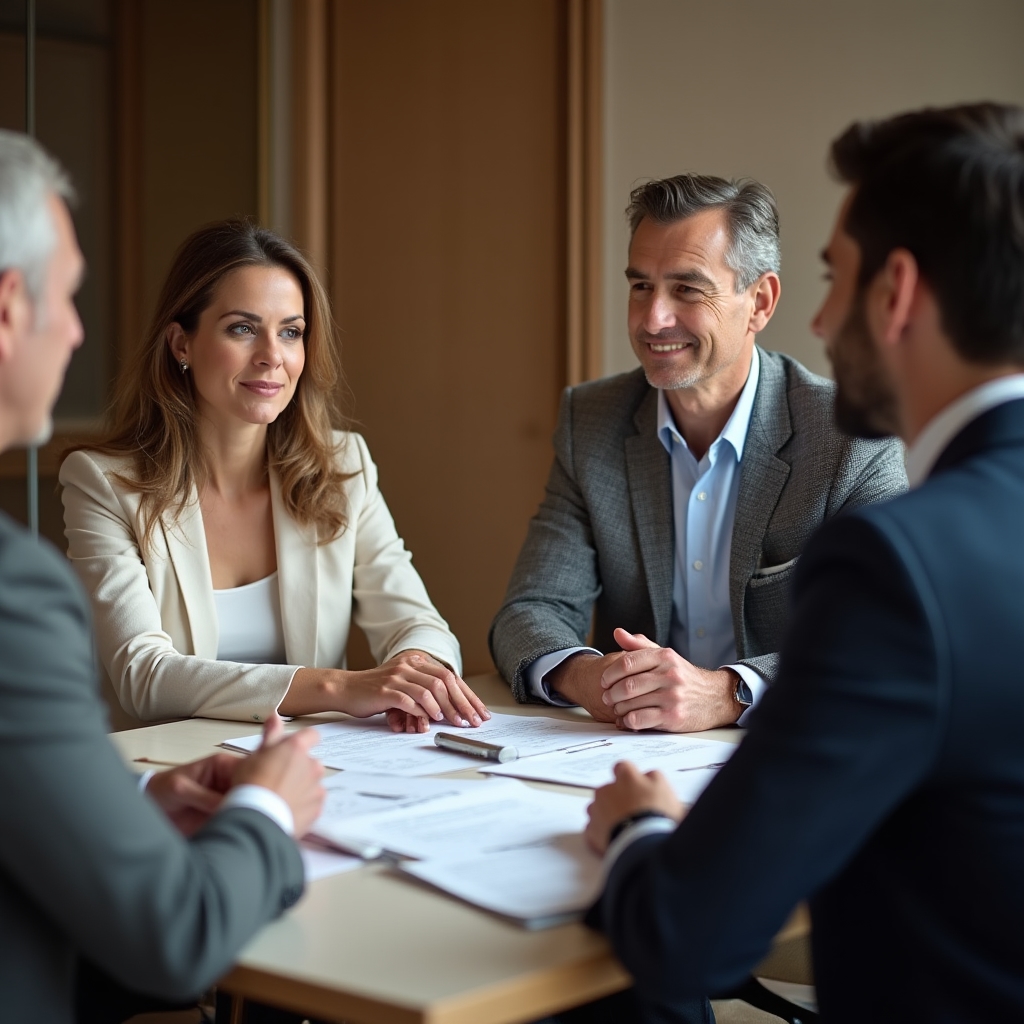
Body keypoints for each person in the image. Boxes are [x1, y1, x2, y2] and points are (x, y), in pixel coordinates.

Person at [583, 102, 1024, 1023]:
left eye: (836, 278)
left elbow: (687, 934)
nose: (821, 319)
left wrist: (637, 831)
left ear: (895, 291)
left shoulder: (901, 567)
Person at [0, 130, 326, 1022]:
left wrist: (136, 797)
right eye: (68, 298)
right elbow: (171, 935)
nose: (75, 330)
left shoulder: (336, 467)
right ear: (7, 307)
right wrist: (264, 811)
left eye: (290, 331)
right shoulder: (11, 589)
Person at [490, 173, 906, 733]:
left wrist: (730, 692)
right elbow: (529, 610)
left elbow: (885, 631)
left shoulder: (850, 437)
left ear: (759, 301)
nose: (653, 319)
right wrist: (590, 676)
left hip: (784, 747)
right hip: (625, 754)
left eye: (686, 289)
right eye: (641, 286)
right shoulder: (591, 422)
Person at [60, 219, 489, 733]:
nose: (272, 356)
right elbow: (144, 677)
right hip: (170, 773)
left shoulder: (343, 467)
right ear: (181, 344)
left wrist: (419, 676)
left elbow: (417, 623)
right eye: (242, 328)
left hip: (315, 766)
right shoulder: (103, 483)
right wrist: (340, 687)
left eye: (291, 332)